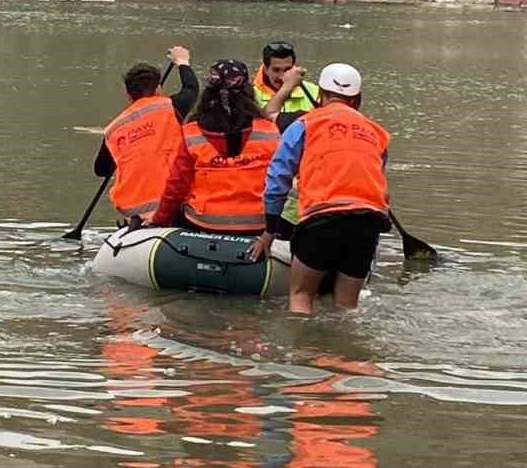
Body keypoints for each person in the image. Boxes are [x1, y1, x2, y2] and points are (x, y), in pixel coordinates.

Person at [250, 62, 390, 315]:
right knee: (347, 306)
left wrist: (269, 232)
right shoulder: (377, 133)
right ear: (357, 99)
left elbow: (276, 180)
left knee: (302, 295)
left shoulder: (304, 124)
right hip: (368, 221)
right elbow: (378, 182)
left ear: (320, 95)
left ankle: (303, 352)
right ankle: (346, 353)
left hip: (321, 218)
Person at [152, 58, 280, 234]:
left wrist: (159, 221)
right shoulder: (269, 130)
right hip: (258, 222)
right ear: (247, 91)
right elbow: (281, 179)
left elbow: (177, 185)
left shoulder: (192, 132)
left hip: (204, 221)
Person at [96, 46, 197, 223]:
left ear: (128, 95)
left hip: (133, 211)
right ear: (158, 89)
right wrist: (182, 62)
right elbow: (191, 89)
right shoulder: (171, 107)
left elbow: (101, 170)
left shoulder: (114, 129)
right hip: (174, 205)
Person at [253, 41, 319, 132]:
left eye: (287, 69)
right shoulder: (252, 96)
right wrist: (288, 86)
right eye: (276, 70)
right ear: (266, 70)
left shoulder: (314, 92)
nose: (282, 76)